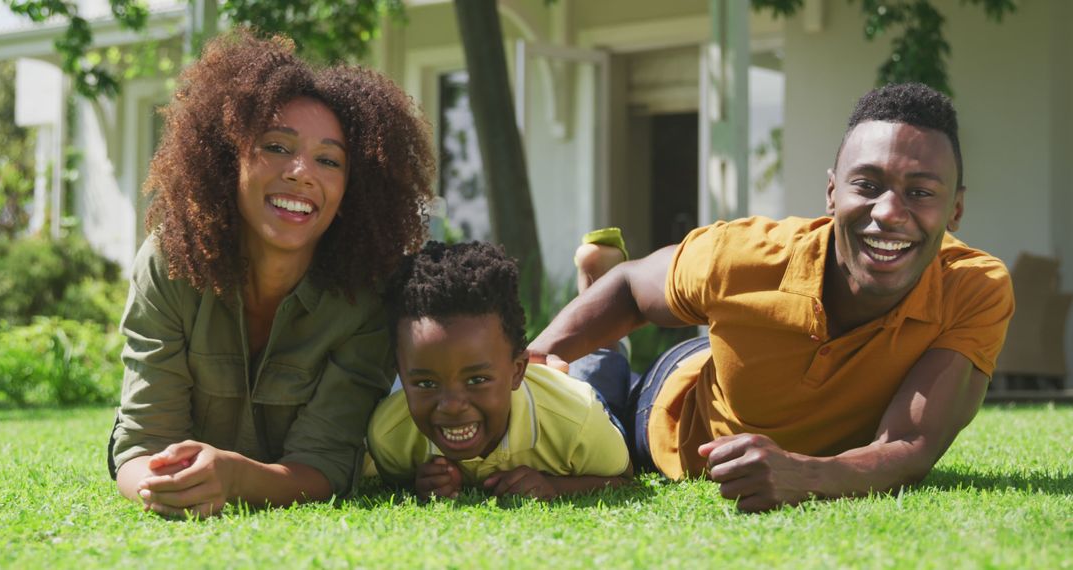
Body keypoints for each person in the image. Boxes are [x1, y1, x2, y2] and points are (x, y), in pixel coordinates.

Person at [529, 83, 1014, 512]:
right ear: (831, 192)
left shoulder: (972, 289)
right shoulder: (745, 255)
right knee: (590, 408)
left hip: (743, 356)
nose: (888, 212)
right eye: (867, 185)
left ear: (956, 209)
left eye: (921, 192)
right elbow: (633, 290)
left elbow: (910, 443)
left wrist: (803, 475)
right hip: (671, 401)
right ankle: (603, 321)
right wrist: (529, 361)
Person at [106, 29, 435, 518]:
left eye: (328, 160)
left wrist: (235, 478)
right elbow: (142, 443)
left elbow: (323, 466)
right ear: (227, 158)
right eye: (277, 147)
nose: (301, 171)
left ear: (351, 192)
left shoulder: (366, 298)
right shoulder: (171, 262)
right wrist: (162, 486)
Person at [367, 241, 631, 501]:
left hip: (573, 396)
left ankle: (599, 282)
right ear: (400, 374)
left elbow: (624, 478)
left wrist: (555, 486)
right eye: (426, 383)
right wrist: (421, 483)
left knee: (597, 365)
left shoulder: (579, 420)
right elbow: (393, 485)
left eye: (476, 379)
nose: (452, 406)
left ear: (517, 371)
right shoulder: (390, 435)